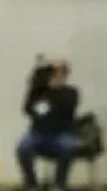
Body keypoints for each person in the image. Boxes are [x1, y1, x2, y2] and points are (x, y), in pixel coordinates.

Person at [17, 59, 80, 191]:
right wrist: (39, 88)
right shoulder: (38, 92)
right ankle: (31, 184)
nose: (56, 77)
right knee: (23, 147)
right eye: (53, 74)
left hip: (62, 134)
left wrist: (54, 92)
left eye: (60, 74)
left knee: (68, 146)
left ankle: (59, 184)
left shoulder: (71, 92)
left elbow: (67, 107)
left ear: (65, 76)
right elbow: (28, 110)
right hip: (38, 134)